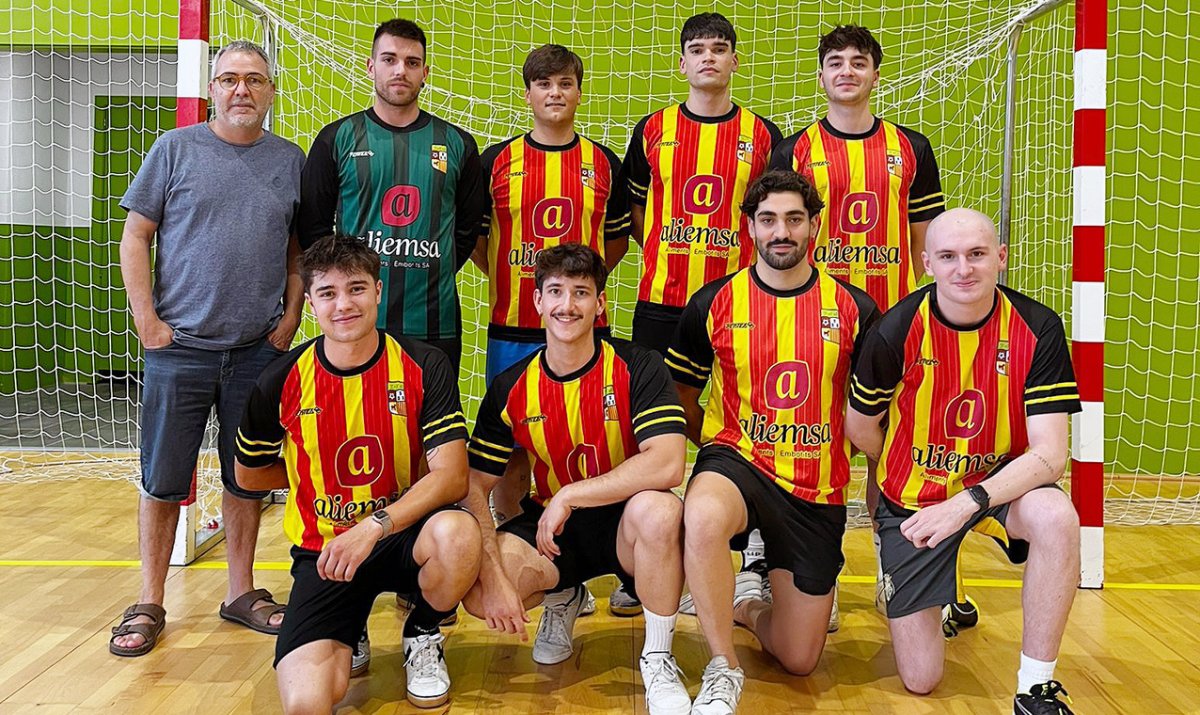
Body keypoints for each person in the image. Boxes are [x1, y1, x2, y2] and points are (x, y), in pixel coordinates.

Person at [110, 40, 304, 657]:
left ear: (270, 89)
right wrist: (147, 320)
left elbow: (297, 252)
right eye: (229, 79)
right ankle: (149, 599)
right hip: (179, 350)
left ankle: (240, 592)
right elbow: (135, 235)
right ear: (213, 88)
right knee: (164, 477)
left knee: (246, 478)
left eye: (254, 79)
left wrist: (289, 320)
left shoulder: (290, 160)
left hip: (257, 351)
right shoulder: (174, 149)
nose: (242, 89)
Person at [846, 208, 1081, 714]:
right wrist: (906, 468)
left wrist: (966, 502)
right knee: (921, 679)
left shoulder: (1037, 327)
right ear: (927, 263)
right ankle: (936, 585)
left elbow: (1050, 454)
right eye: (949, 257)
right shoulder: (894, 330)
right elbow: (860, 428)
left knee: (1056, 516)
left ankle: (1034, 687)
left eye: (977, 254)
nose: (964, 269)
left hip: (997, 486)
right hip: (916, 498)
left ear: (1001, 257)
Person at [235, 236, 482, 712]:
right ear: (310, 303)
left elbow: (452, 477)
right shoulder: (281, 379)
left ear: (378, 291)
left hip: (403, 536)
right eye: (328, 293)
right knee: (307, 704)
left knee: (457, 533)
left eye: (356, 288)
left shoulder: (423, 364)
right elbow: (249, 476)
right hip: (326, 553)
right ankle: (353, 624)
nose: (343, 304)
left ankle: (422, 632)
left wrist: (373, 526)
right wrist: (311, 476)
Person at [667, 170, 879, 714]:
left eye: (793, 219)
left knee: (799, 657)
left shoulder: (856, 309)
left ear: (814, 226)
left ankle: (746, 606)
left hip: (816, 483)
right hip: (738, 460)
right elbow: (681, 398)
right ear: (750, 228)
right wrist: (718, 442)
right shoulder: (713, 302)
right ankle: (722, 667)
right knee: (703, 514)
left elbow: (874, 410)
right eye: (768, 220)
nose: (780, 232)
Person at [770, 24, 954, 630]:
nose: (846, 71)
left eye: (858, 62)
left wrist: (920, 316)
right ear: (821, 75)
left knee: (890, 448)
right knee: (803, 443)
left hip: (889, 326)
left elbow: (925, 244)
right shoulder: (795, 149)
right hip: (813, 319)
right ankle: (796, 575)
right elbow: (778, 237)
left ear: (875, 73)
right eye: (835, 62)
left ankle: (892, 569)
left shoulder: (912, 148)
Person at [461, 244, 692, 715]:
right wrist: (496, 575)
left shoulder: (637, 365)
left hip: (630, 524)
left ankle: (658, 656)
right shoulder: (510, 386)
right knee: (481, 594)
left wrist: (571, 493)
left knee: (661, 508)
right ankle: (564, 594)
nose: (568, 305)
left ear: (601, 303)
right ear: (538, 301)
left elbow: (669, 464)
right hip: (556, 531)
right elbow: (473, 486)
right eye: (556, 292)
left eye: (581, 293)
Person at [622, 10, 782, 614]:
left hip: (743, 304)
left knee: (755, 415)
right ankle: (647, 562)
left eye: (719, 48)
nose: (709, 57)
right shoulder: (653, 128)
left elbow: (771, 214)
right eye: (698, 49)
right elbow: (639, 213)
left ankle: (753, 551)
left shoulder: (763, 134)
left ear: (735, 60)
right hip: (663, 303)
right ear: (683, 61)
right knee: (656, 427)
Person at [474, 48, 631, 619]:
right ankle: (545, 562)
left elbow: (616, 240)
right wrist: (513, 280)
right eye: (543, 84)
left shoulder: (604, 161)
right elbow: (479, 240)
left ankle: (608, 561)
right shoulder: (496, 160)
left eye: (565, 83)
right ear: (529, 94)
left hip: (586, 332)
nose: (555, 93)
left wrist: (577, 295)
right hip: (513, 326)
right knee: (516, 449)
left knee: (599, 442)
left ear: (579, 92)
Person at [298, 18, 484, 374]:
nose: (401, 70)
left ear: (424, 73)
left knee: (432, 412)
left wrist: (429, 267)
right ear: (371, 66)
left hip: (434, 323)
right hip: (354, 322)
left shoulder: (458, 144)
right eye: (389, 59)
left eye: (412, 62)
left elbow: (466, 231)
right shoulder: (336, 138)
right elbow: (313, 229)